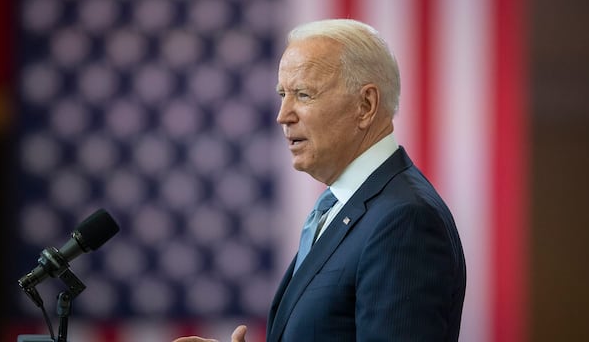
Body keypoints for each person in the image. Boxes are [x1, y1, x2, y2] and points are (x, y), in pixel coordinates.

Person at [173, 18, 466, 342]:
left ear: (365, 105)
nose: (283, 115)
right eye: (283, 94)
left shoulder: (404, 220)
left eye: (303, 94)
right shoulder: (347, 206)